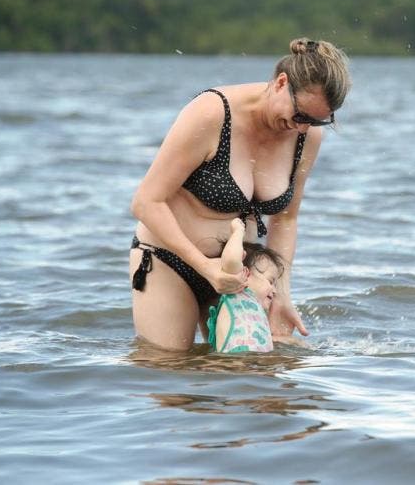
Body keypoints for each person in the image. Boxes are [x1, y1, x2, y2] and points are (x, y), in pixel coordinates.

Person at [129, 38, 351, 351]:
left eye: (317, 121)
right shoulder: (211, 113)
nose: (302, 128)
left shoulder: (307, 137)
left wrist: (281, 292)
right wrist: (206, 269)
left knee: (252, 380)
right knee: (171, 373)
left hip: (239, 271)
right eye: (300, 115)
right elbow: (146, 202)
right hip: (169, 260)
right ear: (281, 83)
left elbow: (286, 218)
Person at [207, 219, 282, 353]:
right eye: (271, 281)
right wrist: (237, 231)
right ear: (245, 273)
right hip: (237, 364)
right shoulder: (237, 290)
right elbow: (231, 260)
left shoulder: (254, 306)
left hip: (249, 364)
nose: (275, 290)